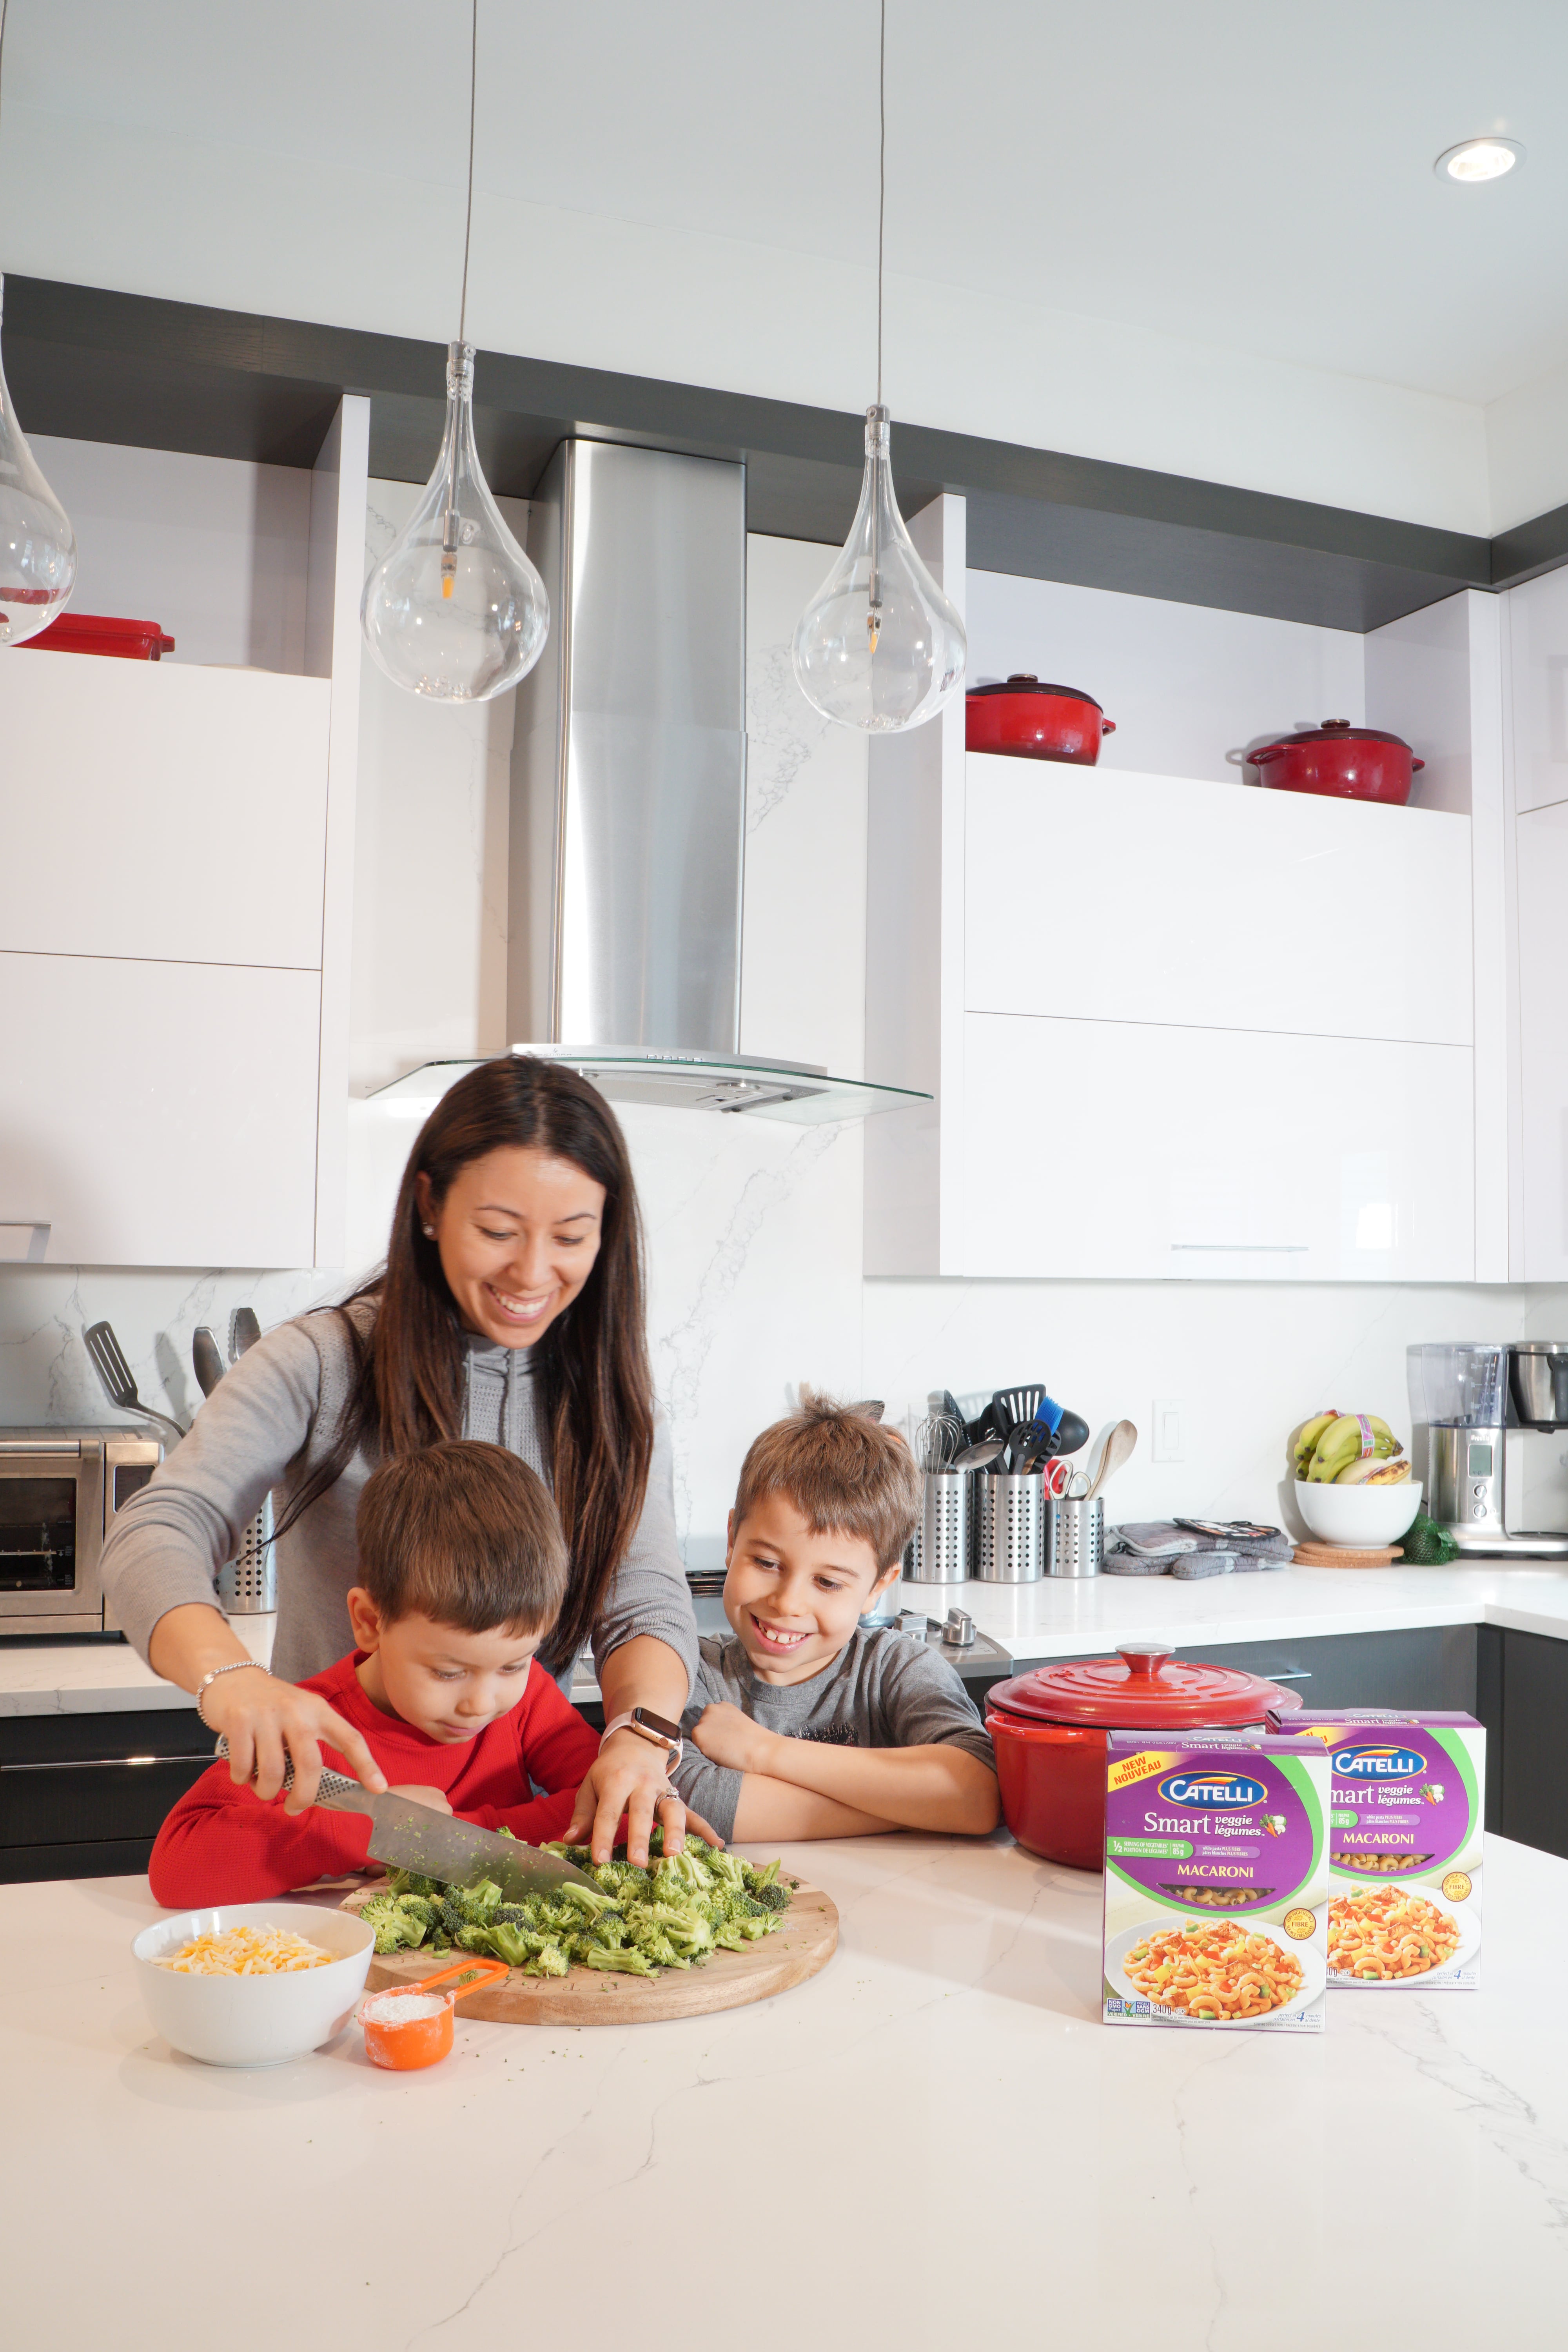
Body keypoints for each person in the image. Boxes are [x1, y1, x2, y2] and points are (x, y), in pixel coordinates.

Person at [100, 1057, 703, 1865]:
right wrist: (232, 1683)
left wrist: (638, 1736)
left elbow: (648, 1602)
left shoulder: (610, 1400)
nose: (531, 1272)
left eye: (570, 1237)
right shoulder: (322, 1361)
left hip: (501, 1842)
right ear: (429, 1205)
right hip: (336, 1807)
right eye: (497, 1231)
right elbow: (160, 1530)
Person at [149, 1441, 601, 1906]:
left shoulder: (529, 1702)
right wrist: (369, 1831)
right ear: (369, 1622)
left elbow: (610, 1805)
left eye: (513, 1665)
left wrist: (439, 1839)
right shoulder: (309, 1727)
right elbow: (177, 1869)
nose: (481, 1703)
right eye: (448, 1672)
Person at [671, 1395, 1000, 1841]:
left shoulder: (895, 1667)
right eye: (767, 1563)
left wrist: (765, 1752)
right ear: (732, 1540)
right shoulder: (689, 1671)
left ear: (878, 1587)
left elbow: (976, 1794)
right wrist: (913, 1809)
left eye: (827, 1583)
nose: (788, 1603)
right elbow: (695, 1802)